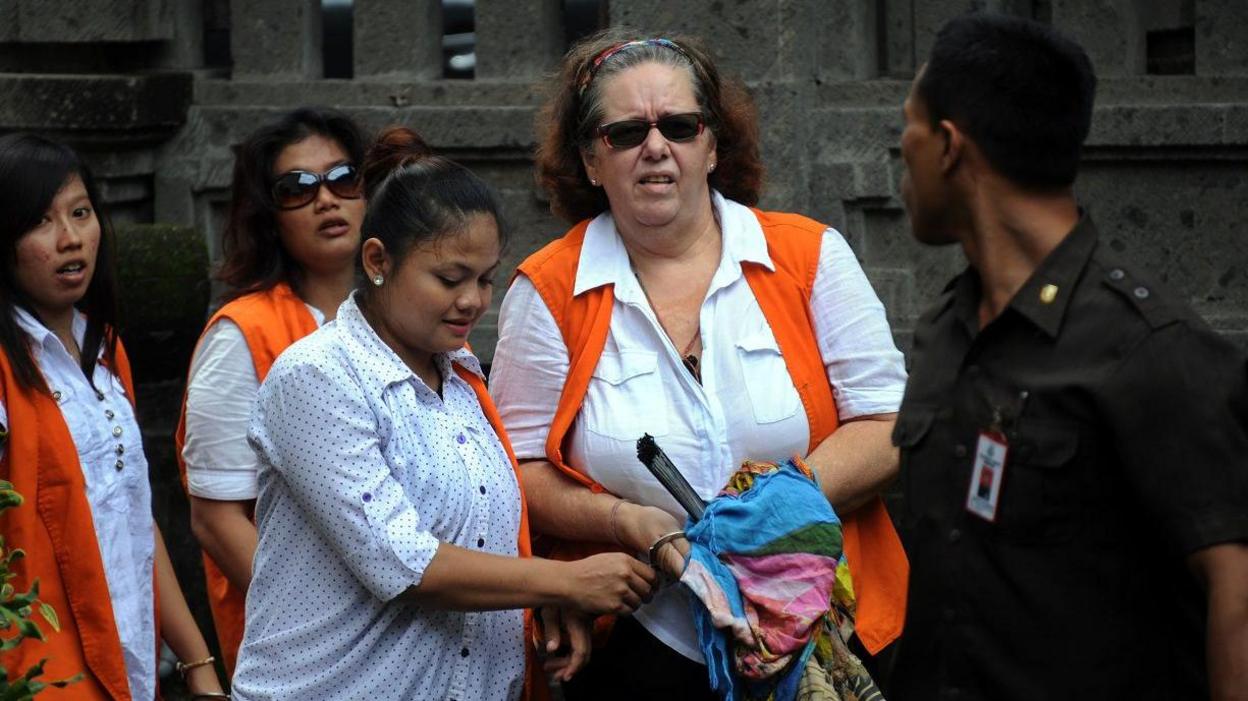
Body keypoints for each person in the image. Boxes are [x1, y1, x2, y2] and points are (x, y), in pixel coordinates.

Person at [490, 32, 911, 698]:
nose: (655, 147)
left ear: (713, 146)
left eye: (679, 126)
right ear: (590, 161)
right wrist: (626, 522)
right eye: (624, 132)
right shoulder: (546, 291)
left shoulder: (808, 256)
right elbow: (514, 470)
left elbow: (889, 424)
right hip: (642, 636)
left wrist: (774, 509)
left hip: (819, 630)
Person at [891, 12, 1248, 700]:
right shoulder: (942, 330)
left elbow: (1235, 589)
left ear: (947, 146)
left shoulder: (1151, 349)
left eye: (905, 128)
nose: (898, 153)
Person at [230, 126, 656, 700]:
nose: (473, 301)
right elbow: (401, 563)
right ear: (379, 259)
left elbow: (486, 541)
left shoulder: (460, 376)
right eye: (450, 279)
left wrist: (544, 595)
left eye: (485, 279)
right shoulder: (319, 376)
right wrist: (567, 581)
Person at [0, 133, 226, 700]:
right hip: (36, 670)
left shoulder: (105, 350)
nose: (71, 238)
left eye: (81, 212)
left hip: (129, 662)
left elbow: (130, 517)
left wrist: (198, 663)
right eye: (41, 222)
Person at [175, 107, 368, 673]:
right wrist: (322, 620)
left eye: (342, 177)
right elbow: (215, 518)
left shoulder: (407, 319)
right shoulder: (242, 334)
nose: (326, 199)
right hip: (303, 653)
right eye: (296, 188)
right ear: (269, 216)